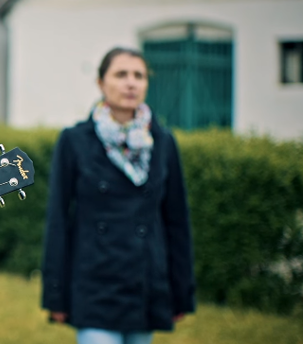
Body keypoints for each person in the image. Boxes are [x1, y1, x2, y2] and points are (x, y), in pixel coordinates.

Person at [40, 47, 195, 344]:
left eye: (139, 75)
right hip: (95, 281)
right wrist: (55, 294)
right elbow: (58, 219)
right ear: (101, 83)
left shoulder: (163, 141)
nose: (131, 83)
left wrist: (181, 292)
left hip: (146, 281)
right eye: (121, 74)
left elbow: (177, 222)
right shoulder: (75, 140)